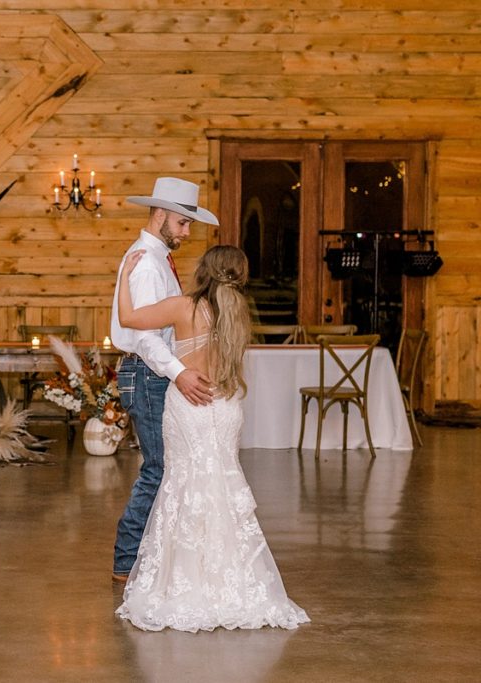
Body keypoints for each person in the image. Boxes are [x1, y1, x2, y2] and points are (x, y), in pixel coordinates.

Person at [114, 245, 309, 632]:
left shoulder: (183, 307)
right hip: (224, 406)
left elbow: (128, 318)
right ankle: (230, 582)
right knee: (222, 485)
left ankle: (185, 581)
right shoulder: (238, 312)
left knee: (183, 485)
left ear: (204, 269)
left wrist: (123, 278)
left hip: (189, 405)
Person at [111, 177, 217, 582]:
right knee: (160, 468)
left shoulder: (155, 259)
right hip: (149, 372)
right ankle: (126, 559)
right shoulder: (148, 264)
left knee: (163, 466)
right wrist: (180, 372)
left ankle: (142, 555)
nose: (187, 233)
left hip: (153, 373)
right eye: (183, 223)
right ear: (159, 215)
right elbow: (145, 338)